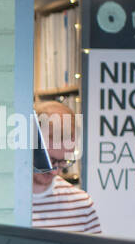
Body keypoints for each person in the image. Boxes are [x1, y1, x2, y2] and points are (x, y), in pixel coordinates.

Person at [32, 100, 102, 234]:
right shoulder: (4, 202)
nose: (55, 172)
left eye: (63, 161)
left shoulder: (81, 205)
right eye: (49, 160)